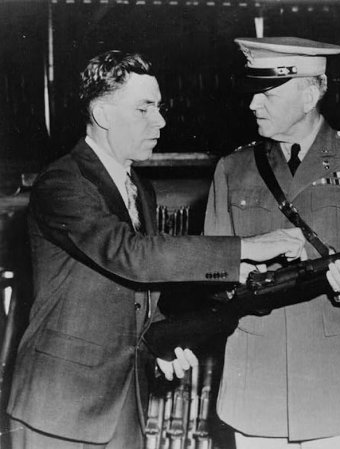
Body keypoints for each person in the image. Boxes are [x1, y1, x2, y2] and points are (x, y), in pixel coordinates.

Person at [6, 50, 305, 449]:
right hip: (61, 409)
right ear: (102, 114)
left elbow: (134, 296)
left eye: (159, 108)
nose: (160, 121)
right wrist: (246, 248)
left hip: (124, 404)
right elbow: (131, 255)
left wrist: (158, 346)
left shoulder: (139, 189)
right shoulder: (62, 183)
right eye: (143, 109)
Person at [204, 37, 340, 449]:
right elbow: (210, 266)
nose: (253, 104)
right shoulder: (233, 168)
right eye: (254, 93)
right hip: (260, 377)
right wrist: (233, 280)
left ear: (309, 95)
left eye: (268, 93)